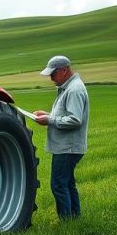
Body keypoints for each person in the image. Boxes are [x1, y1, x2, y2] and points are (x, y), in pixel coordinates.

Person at [34, 55, 89, 220]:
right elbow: (68, 115)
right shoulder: (69, 87)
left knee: (58, 185)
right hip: (67, 146)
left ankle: (66, 221)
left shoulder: (74, 90)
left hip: (67, 147)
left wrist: (49, 120)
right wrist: (49, 115)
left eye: (53, 74)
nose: (51, 78)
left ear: (64, 70)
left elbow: (75, 120)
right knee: (68, 184)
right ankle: (74, 219)